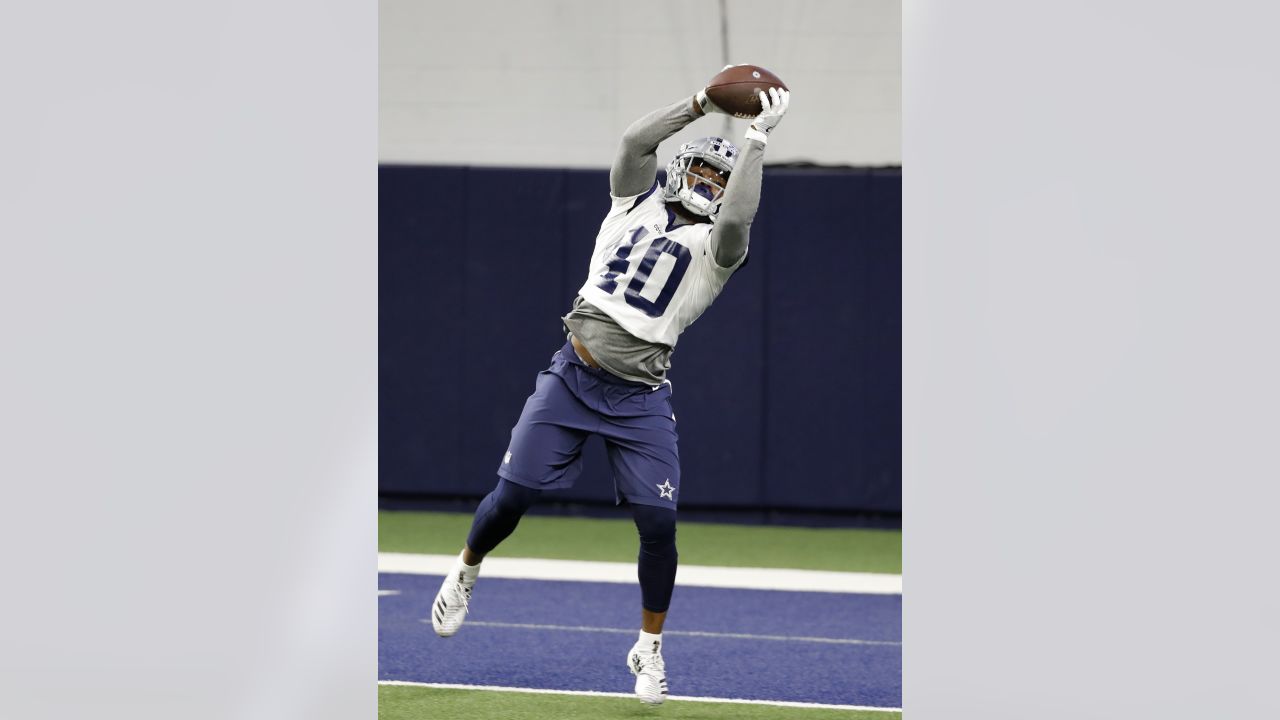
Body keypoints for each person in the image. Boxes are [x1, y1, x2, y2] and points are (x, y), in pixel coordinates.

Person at [430, 69, 791, 705]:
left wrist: (756, 141)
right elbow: (633, 144)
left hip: (640, 397)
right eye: (701, 172)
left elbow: (738, 217)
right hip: (572, 375)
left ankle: (649, 648)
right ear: (681, 171)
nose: (709, 185)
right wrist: (701, 103)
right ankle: (465, 569)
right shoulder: (634, 201)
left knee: (659, 524)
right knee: (510, 500)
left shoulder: (716, 247)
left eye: (718, 178)